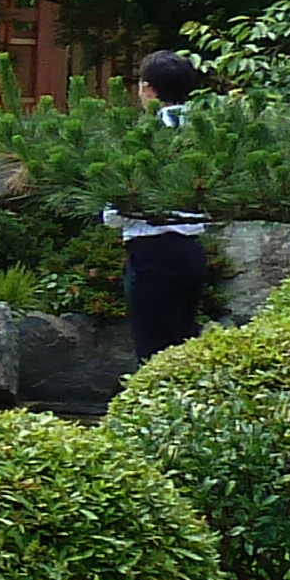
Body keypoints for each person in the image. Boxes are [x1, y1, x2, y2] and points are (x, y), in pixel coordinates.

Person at [99, 50, 209, 359]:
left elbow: (115, 211)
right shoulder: (205, 132)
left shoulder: (143, 136)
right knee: (184, 347)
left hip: (152, 253)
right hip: (192, 251)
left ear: (148, 88)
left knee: (152, 351)